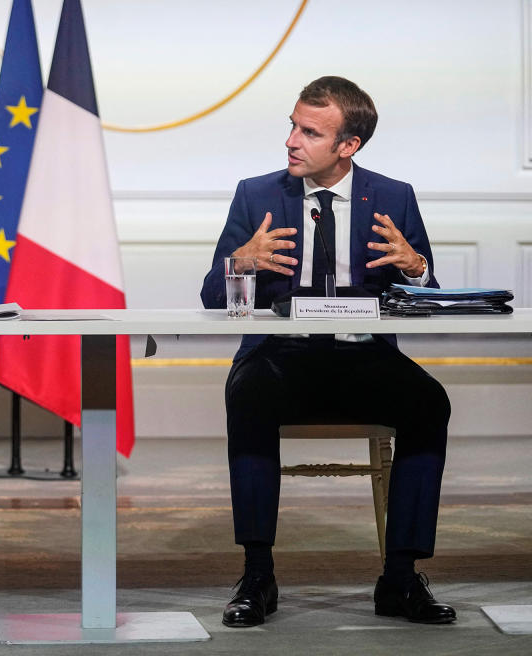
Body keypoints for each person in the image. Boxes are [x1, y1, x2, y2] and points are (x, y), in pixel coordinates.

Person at [201, 76, 455, 627]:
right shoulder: (257, 194)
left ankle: (401, 577)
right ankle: (257, 574)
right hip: (281, 359)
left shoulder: (392, 197)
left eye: (309, 132)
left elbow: (427, 298)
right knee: (246, 392)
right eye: (291, 125)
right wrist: (241, 261)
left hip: (364, 360)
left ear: (348, 146)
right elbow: (212, 295)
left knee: (428, 401)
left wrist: (418, 269)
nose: (291, 140)